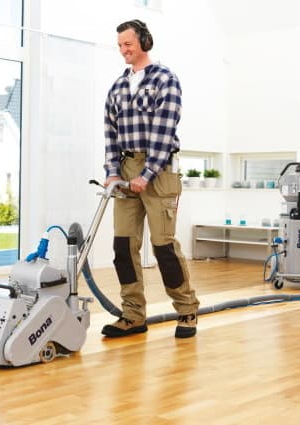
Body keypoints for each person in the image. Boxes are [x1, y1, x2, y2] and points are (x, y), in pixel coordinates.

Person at [100, 19, 200, 339]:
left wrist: (146, 173)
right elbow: (110, 133)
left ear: (144, 41)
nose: (123, 50)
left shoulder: (165, 80)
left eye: (127, 44)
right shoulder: (117, 87)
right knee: (123, 245)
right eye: (119, 46)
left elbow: (163, 131)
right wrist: (113, 172)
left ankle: (186, 312)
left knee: (163, 246)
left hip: (159, 172)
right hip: (126, 169)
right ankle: (132, 315)